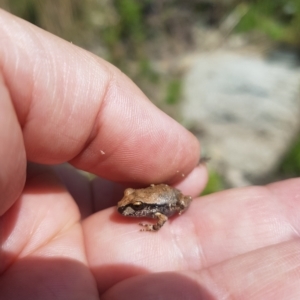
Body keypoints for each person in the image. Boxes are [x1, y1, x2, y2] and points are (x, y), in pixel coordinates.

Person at [0, 9, 299, 300]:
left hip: (169, 198)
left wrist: (158, 220)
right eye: (132, 203)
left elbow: (162, 219)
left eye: (134, 206)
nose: (127, 208)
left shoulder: (155, 211)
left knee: (183, 200)